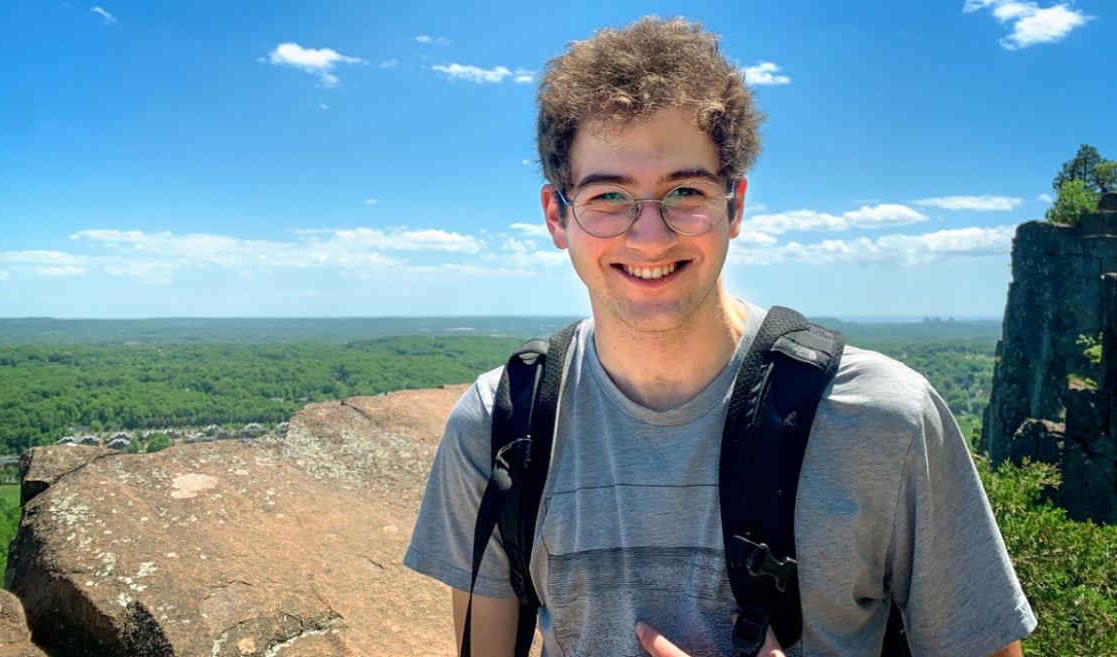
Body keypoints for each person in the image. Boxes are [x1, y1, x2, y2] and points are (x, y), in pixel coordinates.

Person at [404, 16, 1036, 657]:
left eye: (686, 191)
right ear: (555, 216)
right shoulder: (501, 426)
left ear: (735, 206)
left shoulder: (885, 420)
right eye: (608, 196)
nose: (649, 236)